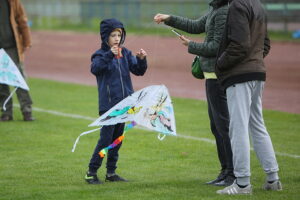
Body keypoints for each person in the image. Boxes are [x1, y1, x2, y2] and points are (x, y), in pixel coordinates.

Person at [154, 0, 235, 186]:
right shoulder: (216, 9)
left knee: (223, 128)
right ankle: (225, 171)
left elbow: (216, 47)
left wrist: (191, 46)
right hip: (211, 76)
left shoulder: (223, 11)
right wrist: (169, 18)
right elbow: (196, 25)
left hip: (218, 76)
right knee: (217, 127)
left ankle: (232, 173)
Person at [215, 0, 282, 195]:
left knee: (238, 128)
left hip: (240, 75)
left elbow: (240, 45)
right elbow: (265, 44)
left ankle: (242, 184)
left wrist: (219, 64)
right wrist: (255, 62)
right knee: (257, 125)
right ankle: (273, 178)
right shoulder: (258, 5)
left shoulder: (237, 5)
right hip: (257, 72)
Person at [85, 18, 148, 184]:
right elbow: (95, 68)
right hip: (109, 106)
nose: (116, 38)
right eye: (113, 35)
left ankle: (111, 173)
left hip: (125, 105)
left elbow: (138, 71)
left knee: (117, 140)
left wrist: (141, 59)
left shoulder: (126, 53)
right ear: (105, 36)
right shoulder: (99, 55)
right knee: (105, 141)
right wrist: (108, 55)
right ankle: (91, 172)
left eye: (119, 34)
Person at [0, 0, 34, 121]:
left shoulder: (13, 1)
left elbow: (22, 19)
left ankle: (27, 111)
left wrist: (27, 40)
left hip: (11, 46)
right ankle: (6, 112)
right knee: (1, 82)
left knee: (19, 79)